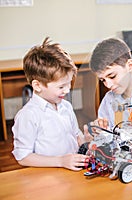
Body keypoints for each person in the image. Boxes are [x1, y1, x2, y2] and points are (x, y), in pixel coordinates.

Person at [12, 37, 90, 171]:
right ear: (37, 85)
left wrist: (85, 143)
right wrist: (60, 161)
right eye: (61, 87)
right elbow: (23, 157)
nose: (67, 90)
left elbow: (75, 134)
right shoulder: (28, 116)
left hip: (71, 172)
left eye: (69, 84)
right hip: (48, 176)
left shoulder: (66, 106)